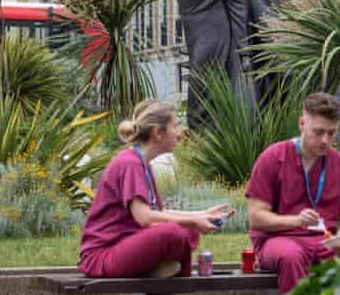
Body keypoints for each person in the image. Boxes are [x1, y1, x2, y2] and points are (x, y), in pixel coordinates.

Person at [78, 100, 234, 278]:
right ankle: (156, 269)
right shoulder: (130, 163)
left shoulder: (142, 163)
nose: (180, 133)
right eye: (175, 126)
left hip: (128, 244)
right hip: (103, 255)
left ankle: (155, 268)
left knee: (188, 230)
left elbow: (158, 212)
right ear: (158, 132)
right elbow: (145, 217)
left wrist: (199, 215)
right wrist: (192, 220)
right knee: (172, 232)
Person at [246, 93, 340, 293]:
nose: (325, 140)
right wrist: (297, 221)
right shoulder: (273, 158)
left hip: (325, 240)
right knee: (291, 256)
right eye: (318, 132)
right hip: (278, 240)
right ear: (302, 124)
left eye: (331, 133)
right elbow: (256, 218)